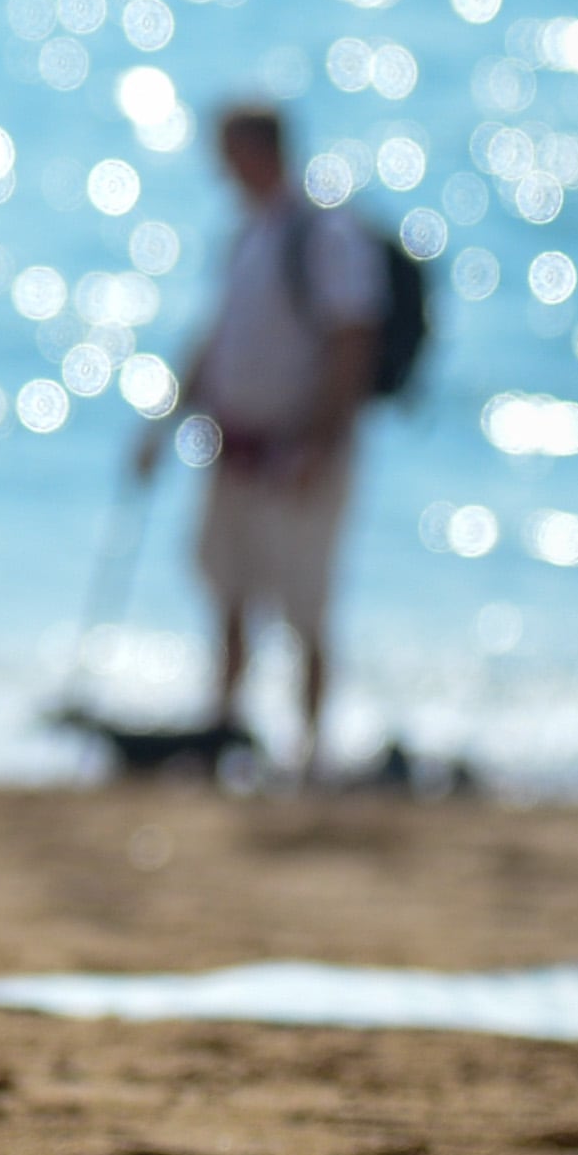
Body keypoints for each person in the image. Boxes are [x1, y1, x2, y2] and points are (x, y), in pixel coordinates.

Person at [132, 103, 384, 773]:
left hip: (296, 451)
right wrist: (163, 425)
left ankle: (309, 748)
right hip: (236, 447)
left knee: (304, 603)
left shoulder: (322, 234)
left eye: (227, 151)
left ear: (256, 150)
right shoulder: (249, 234)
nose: (219, 167)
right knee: (228, 592)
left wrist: (318, 444)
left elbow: (350, 342)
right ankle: (222, 730)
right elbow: (216, 341)